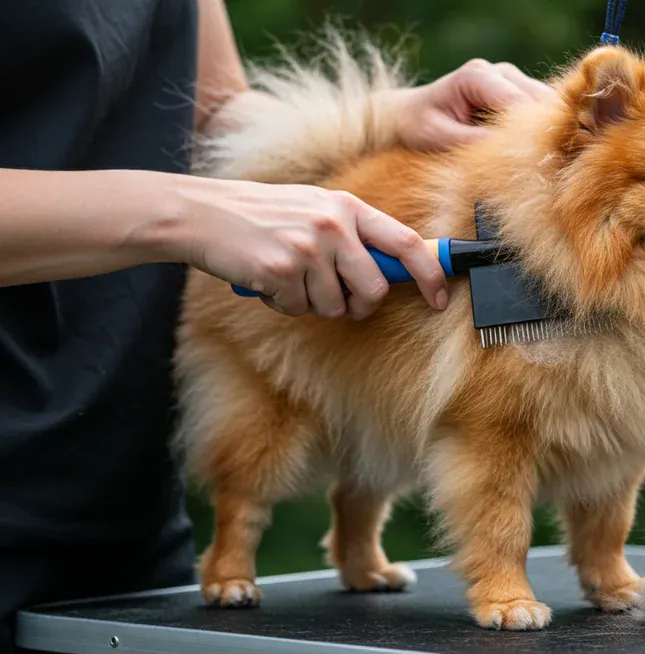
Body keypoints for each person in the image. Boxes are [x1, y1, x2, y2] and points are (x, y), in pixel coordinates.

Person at [0, 1, 555, 650]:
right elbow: (192, 188)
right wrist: (183, 213)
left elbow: (206, 113)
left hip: (127, 519)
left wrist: (383, 119)